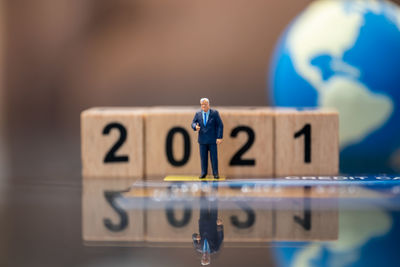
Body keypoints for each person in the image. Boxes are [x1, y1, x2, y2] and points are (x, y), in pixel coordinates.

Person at [192, 182, 224, 265]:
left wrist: (196, 237)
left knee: (203, 203)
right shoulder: (215, 249)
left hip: (203, 222)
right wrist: (220, 226)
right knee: (214, 203)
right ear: (209, 258)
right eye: (206, 259)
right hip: (213, 223)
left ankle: (204, 185)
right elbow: (220, 237)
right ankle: (215, 185)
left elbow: (193, 236)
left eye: (203, 259)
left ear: (201, 257)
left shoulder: (198, 248)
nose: (205, 257)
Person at [191, 98, 224, 178]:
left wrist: (219, 137)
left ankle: (215, 173)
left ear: (208, 104)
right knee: (203, 158)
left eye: (205, 104)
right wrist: (195, 126)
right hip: (202, 140)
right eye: (202, 104)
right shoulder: (198, 113)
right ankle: (203, 172)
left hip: (212, 139)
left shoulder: (214, 113)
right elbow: (193, 123)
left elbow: (220, 125)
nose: (203, 106)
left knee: (214, 158)